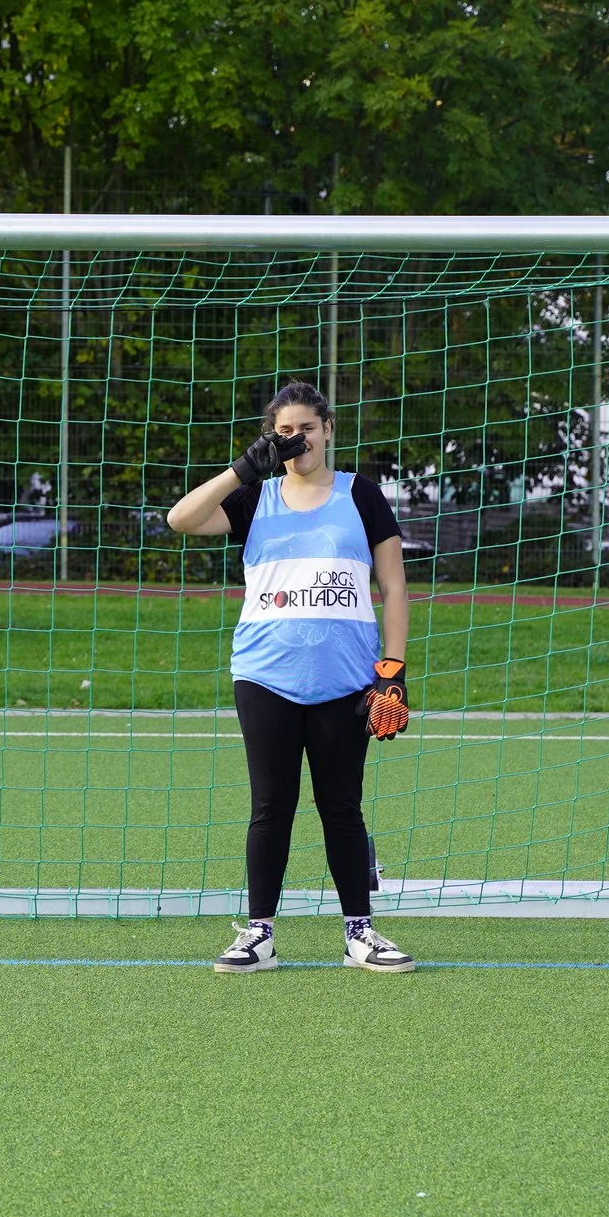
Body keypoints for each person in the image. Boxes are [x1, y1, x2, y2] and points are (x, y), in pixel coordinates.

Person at [165, 381, 415, 973]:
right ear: (270, 439)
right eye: (283, 431)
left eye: (306, 428)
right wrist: (241, 470)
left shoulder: (362, 495)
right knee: (271, 805)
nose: (296, 439)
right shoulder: (255, 497)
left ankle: (359, 933)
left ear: (328, 430)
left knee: (341, 806)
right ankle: (259, 934)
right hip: (265, 675)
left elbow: (394, 586)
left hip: (347, 679)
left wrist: (393, 669)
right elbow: (180, 519)